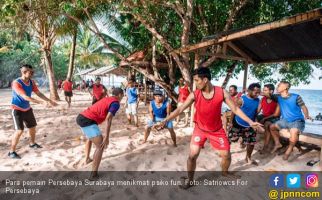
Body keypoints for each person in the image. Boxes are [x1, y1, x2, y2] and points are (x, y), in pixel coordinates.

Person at [154, 67, 262, 189]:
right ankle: (190, 180)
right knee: (192, 156)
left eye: (196, 80)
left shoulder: (222, 92)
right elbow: (180, 109)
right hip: (200, 129)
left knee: (226, 155)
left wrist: (250, 122)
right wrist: (165, 121)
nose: (195, 83)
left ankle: (225, 173)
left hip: (217, 131)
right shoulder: (195, 94)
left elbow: (235, 109)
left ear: (205, 80)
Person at [9, 64, 57, 159]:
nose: (32, 74)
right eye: (30, 72)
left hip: (27, 109)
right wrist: (41, 103)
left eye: (33, 72)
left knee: (32, 127)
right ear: (24, 72)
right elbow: (25, 97)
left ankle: (32, 143)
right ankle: (11, 151)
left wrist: (49, 100)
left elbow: (38, 93)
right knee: (19, 131)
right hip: (17, 109)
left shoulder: (31, 82)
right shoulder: (16, 83)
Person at [76, 88, 124, 178]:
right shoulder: (115, 103)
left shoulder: (107, 98)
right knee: (100, 145)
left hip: (81, 116)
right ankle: (93, 174)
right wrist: (107, 137)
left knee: (90, 138)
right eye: (123, 95)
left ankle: (87, 159)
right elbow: (109, 118)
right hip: (88, 120)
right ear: (120, 95)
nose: (123, 97)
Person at [269, 81, 311, 160]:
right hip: (285, 121)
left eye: (279, 85)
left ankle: (289, 150)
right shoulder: (278, 97)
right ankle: (278, 143)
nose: (277, 87)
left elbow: (303, 107)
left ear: (285, 88)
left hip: (297, 121)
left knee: (293, 131)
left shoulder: (296, 97)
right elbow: (267, 94)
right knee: (272, 127)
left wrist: (306, 115)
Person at [228, 83, 265, 165]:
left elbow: (256, 112)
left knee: (251, 143)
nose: (257, 94)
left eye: (259, 92)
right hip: (237, 123)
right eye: (256, 92)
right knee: (230, 139)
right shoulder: (241, 99)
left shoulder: (258, 100)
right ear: (249, 91)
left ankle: (248, 158)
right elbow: (234, 111)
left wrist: (255, 122)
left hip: (250, 124)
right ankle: (226, 153)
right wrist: (230, 122)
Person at [257, 84, 279, 154]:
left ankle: (265, 147)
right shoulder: (263, 99)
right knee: (251, 120)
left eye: (265, 90)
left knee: (267, 124)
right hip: (264, 116)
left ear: (271, 91)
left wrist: (264, 119)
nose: (263, 92)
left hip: (274, 117)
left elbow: (276, 114)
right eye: (263, 90)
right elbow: (258, 110)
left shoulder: (276, 99)